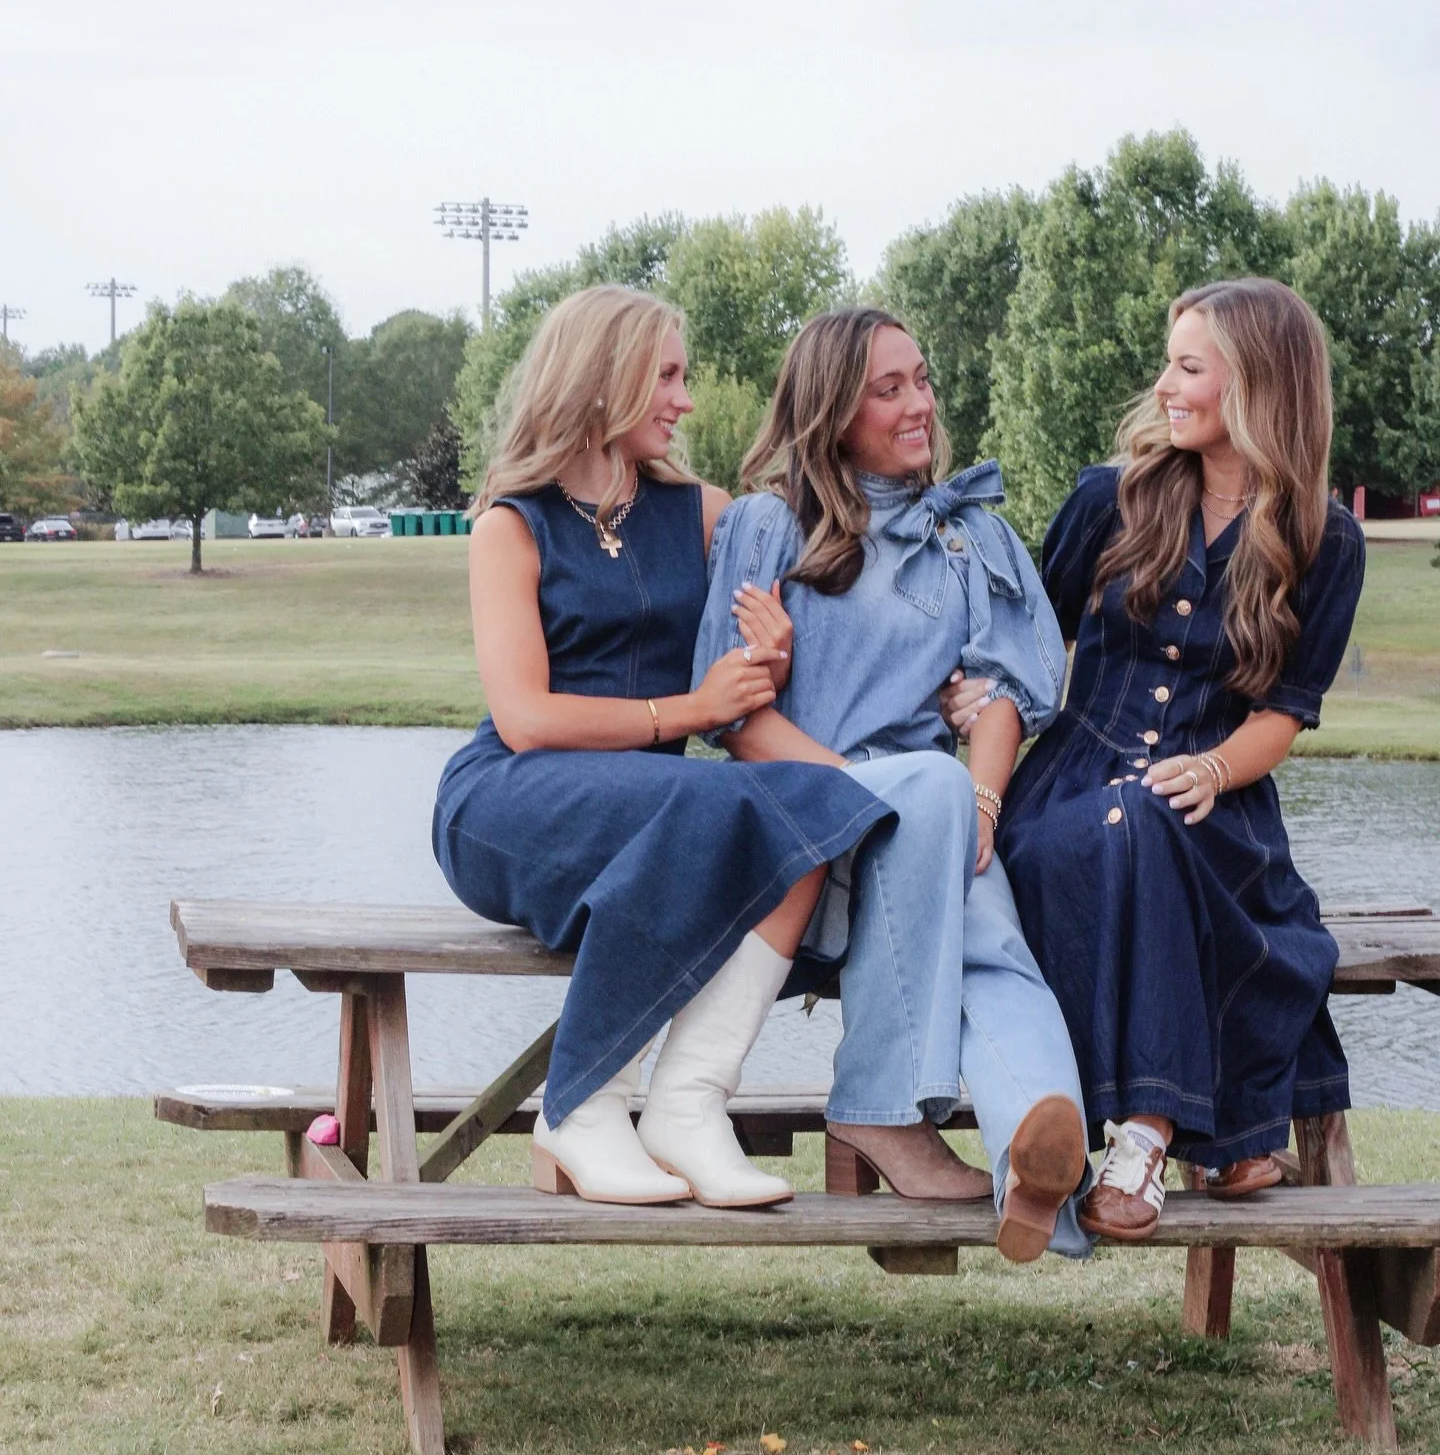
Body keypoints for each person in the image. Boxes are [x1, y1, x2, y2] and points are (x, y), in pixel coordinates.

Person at [431, 286, 897, 1210]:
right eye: (669, 376)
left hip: (653, 813)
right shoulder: (508, 525)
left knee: (814, 807)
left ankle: (688, 1103)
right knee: (706, 805)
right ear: (603, 378)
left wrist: (772, 654)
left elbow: (815, 603)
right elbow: (525, 718)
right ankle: (583, 1106)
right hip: (509, 804)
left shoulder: (705, 513)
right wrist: (688, 710)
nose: (685, 399)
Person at [965, 276, 1363, 1241]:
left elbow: (1285, 711)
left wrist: (1218, 770)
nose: (1165, 385)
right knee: (1131, 818)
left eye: (1189, 367)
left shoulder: (1325, 538)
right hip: (1071, 787)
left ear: (1259, 386)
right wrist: (973, 702)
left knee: (1166, 824)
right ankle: (1170, 1134)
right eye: (1170, 364)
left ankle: (1152, 1132)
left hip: (1218, 803)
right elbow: (1027, 646)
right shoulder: (1111, 497)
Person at [693, 307, 1093, 1263]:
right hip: (802, 836)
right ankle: (880, 1108)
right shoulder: (769, 525)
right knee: (933, 803)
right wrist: (880, 797)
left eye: (923, 380)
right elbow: (738, 718)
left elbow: (1000, 697)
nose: (920, 405)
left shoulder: (967, 537)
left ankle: (1033, 1156)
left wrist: (982, 802)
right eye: (890, 388)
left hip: (933, 833)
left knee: (993, 941)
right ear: (832, 411)